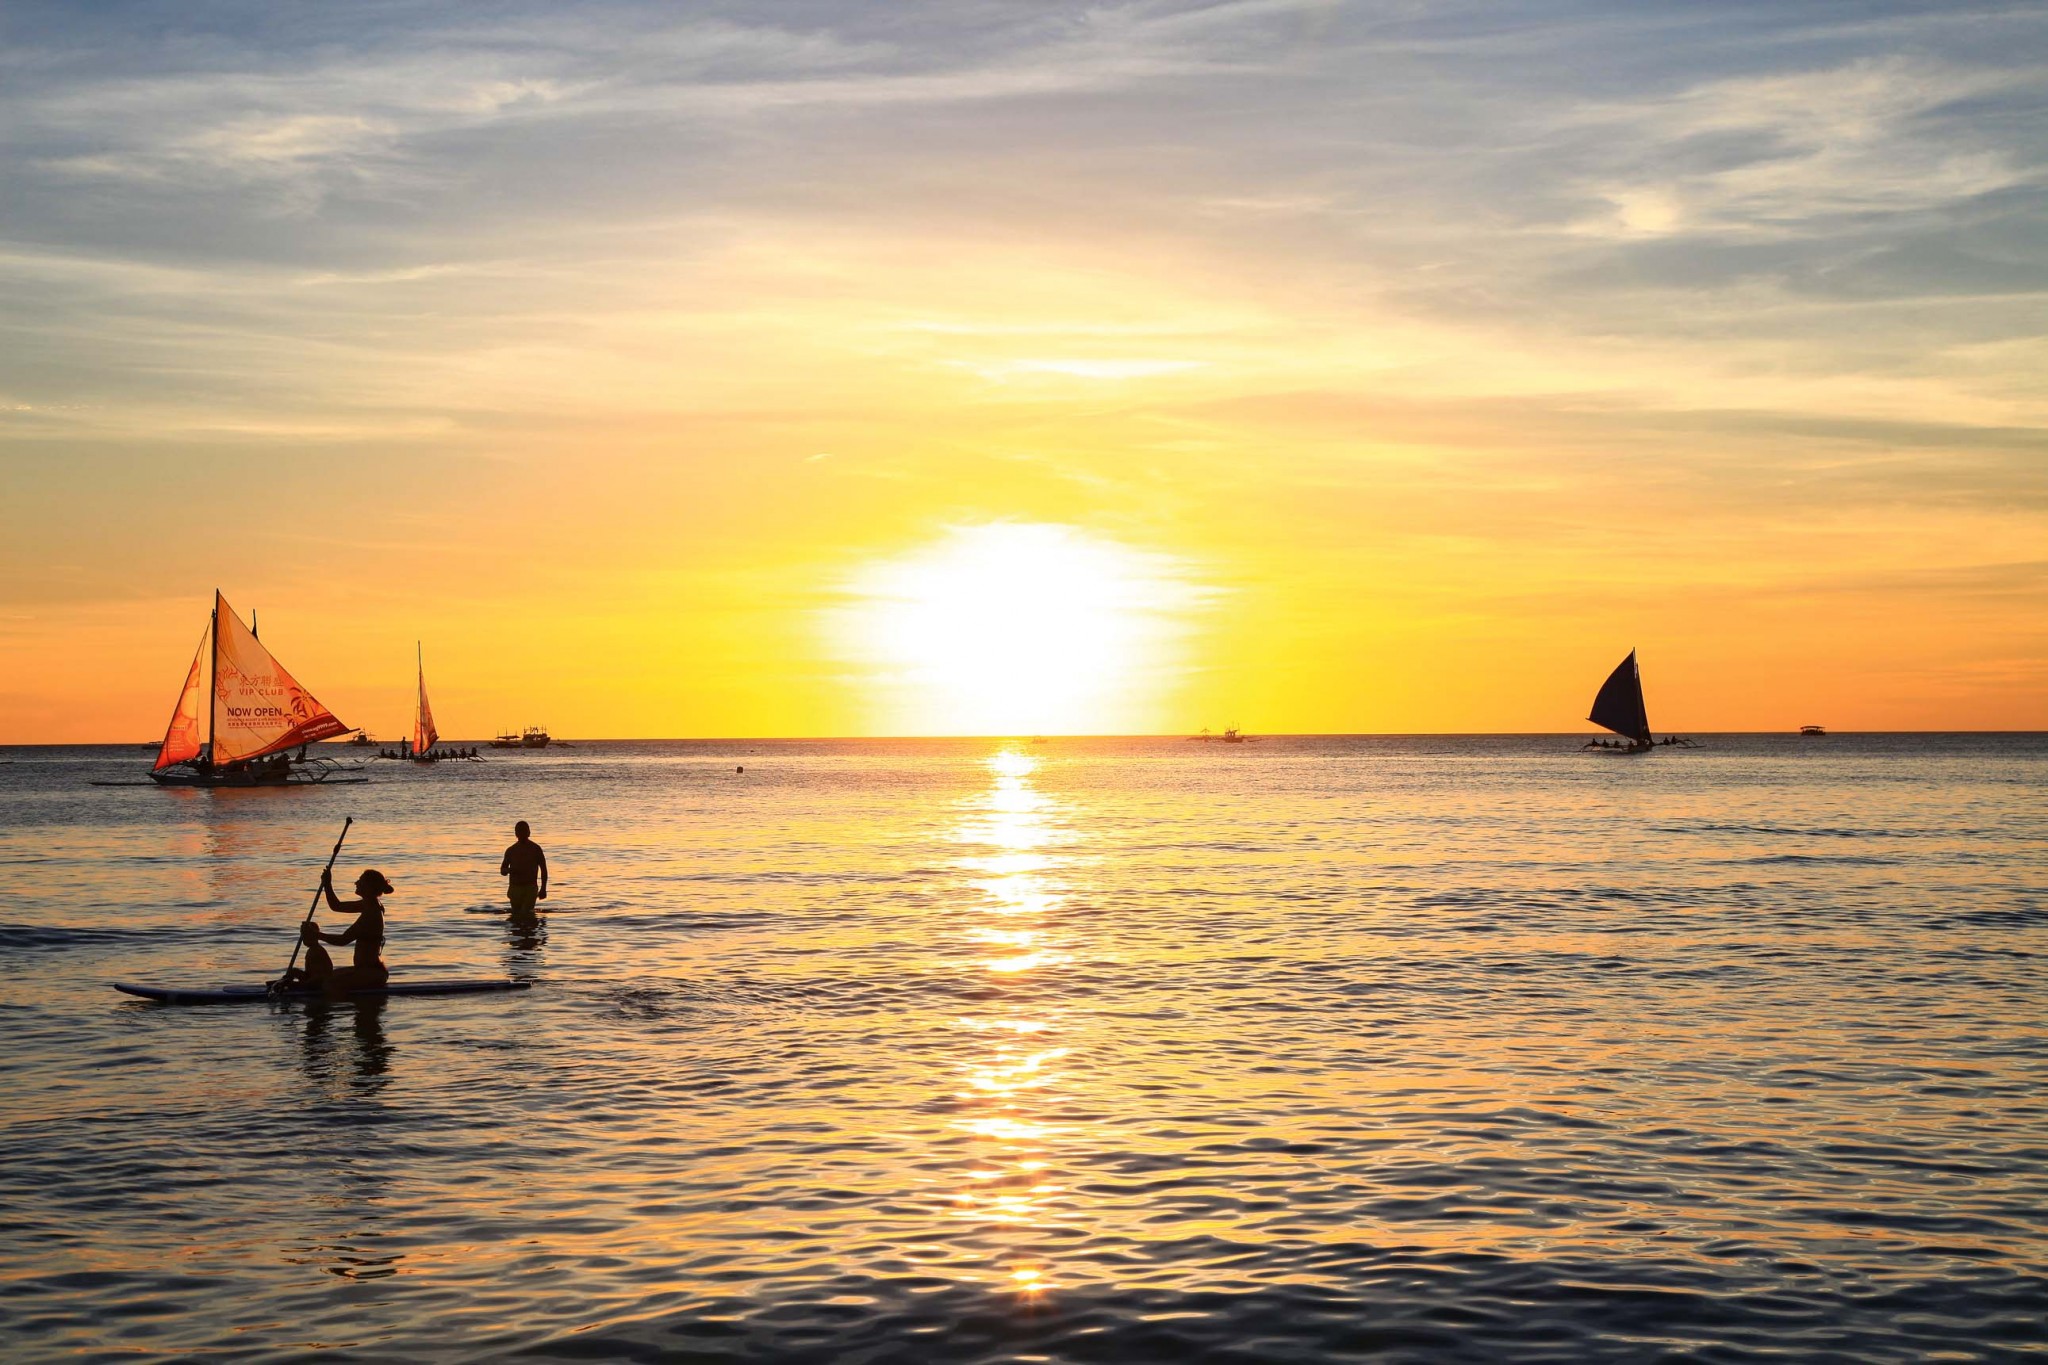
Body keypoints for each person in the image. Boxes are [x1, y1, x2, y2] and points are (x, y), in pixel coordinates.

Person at [307, 868, 391, 997]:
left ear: (369, 887)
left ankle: (348, 1006)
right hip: (363, 970)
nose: (356, 883)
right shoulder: (369, 904)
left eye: (360, 881)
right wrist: (327, 884)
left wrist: (316, 935)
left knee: (329, 984)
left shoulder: (372, 914)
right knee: (321, 978)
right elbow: (336, 906)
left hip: (372, 973)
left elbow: (343, 940)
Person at [500, 821, 548, 915]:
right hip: (515, 888)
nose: (522, 833)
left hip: (530, 887)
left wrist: (543, 888)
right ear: (516, 833)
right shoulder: (511, 850)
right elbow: (502, 870)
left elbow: (544, 869)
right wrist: (509, 870)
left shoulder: (536, 849)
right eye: (520, 831)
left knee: (526, 913)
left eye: (524, 831)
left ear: (529, 832)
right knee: (516, 915)